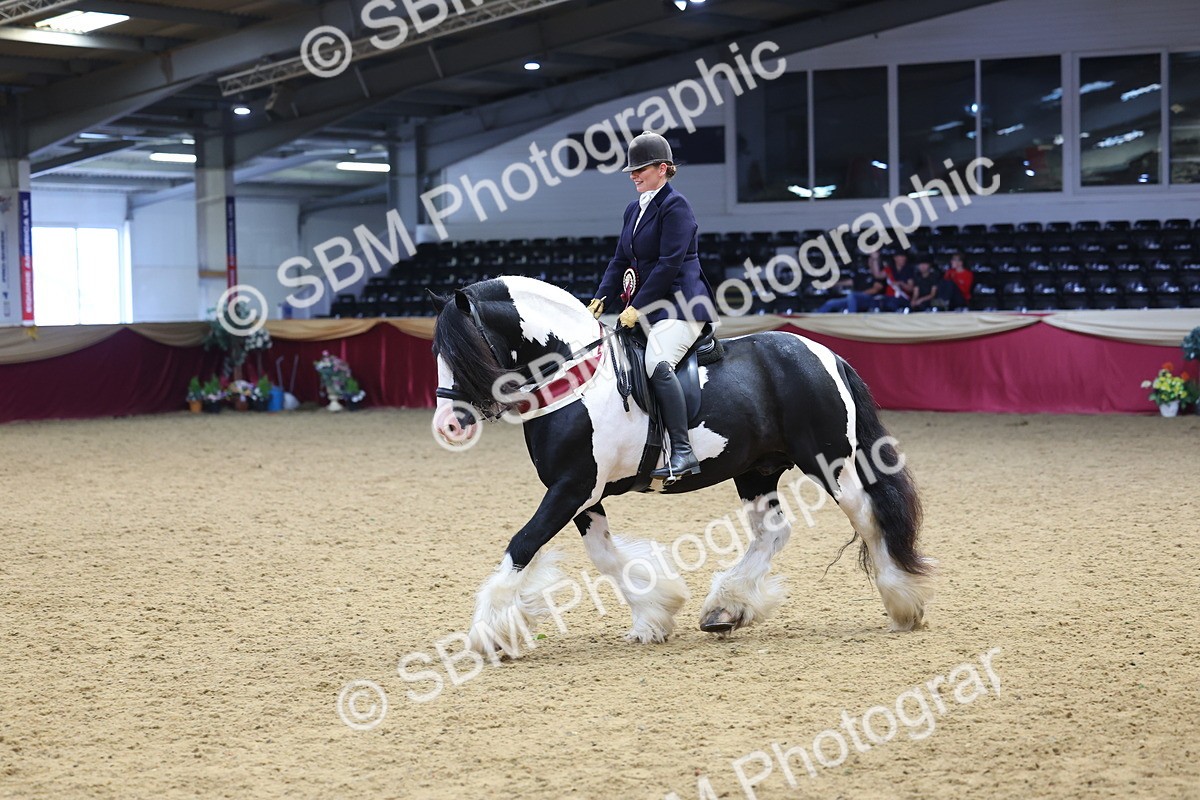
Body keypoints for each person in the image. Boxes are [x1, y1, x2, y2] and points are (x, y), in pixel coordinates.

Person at [589, 131, 716, 482]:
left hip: (682, 306)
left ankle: (683, 451)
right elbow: (620, 261)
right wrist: (602, 297)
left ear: (662, 169)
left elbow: (668, 264)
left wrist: (637, 307)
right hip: (647, 308)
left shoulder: (677, 207)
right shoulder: (634, 208)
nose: (633, 174)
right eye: (631, 170)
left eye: (640, 168)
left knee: (656, 361)